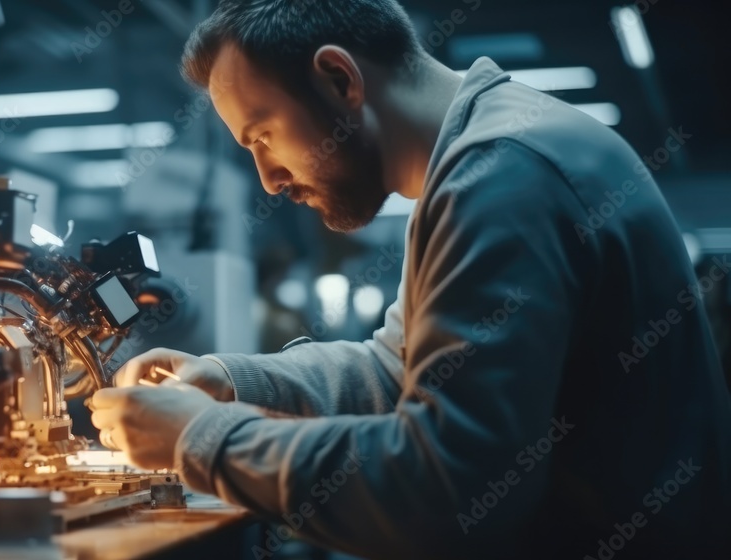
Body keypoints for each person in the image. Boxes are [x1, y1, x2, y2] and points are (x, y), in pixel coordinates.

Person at [88, 1, 731, 558]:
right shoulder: (476, 161)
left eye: (263, 137)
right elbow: (397, 370)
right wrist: (232, 382)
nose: (269, 180)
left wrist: (200, 437)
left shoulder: (504, 177)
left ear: (340, 79)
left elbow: (449, 491)